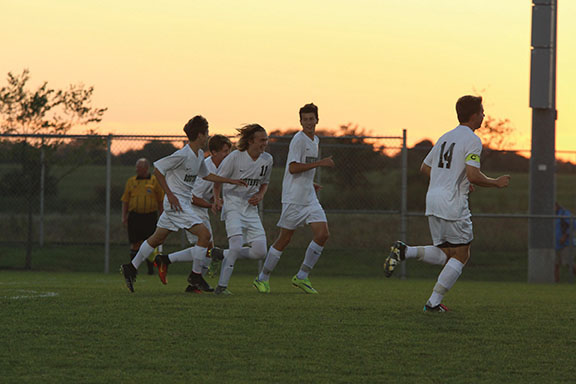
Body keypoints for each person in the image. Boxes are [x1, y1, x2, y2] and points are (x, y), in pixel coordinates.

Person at [384, 95, 510, 312]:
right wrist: (495, 183)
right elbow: (473, 175)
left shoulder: (445, 137)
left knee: (445, 253)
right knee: (462, 255)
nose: (484, 115)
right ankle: (433, 303)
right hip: (453, 203)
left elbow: (425, 167)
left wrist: (448, 179)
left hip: (433, 200)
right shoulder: (472, 139)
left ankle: (405, 252)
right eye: (482, 111)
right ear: (473, 115)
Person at [120, 116, 246, 293]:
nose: (208, 136)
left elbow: (206, 175)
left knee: (157, 239)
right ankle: (195, 276)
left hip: (182, 204)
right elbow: (158, 170)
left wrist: (230, 181)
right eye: (207, 132)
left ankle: (131, 268)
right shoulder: (182, 154)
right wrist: (170, 195)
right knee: (205, 235)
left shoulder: (199, 155)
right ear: (200, 135)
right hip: (177, 204)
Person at [253, 103, 335, 294]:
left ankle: (302, 276)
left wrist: (310, 182)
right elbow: (292, 168)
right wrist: (320, 163)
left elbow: (303, 168)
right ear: (300, 121)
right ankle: (262, 278)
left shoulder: (315, 140)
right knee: (285, 238)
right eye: (305, 119)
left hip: (309, 197)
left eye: (311, 119)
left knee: (323, 234)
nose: (308, 122)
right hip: (293, 198)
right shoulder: (298, 140)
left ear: (317, 120)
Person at [153, 134, 232, 292]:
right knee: (207, 247)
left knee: (207, 249)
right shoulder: (206, 167)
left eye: (229, 152)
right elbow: (193, 197)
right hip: (192, 208)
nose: (227, 155)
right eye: (225, 152)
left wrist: (217, 200)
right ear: (214, 152)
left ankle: (186, 277)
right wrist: (211, 205)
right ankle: (187, 275)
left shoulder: (218, 167)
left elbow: (214, 187)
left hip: (200, 208)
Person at [211, 124, 273, 295]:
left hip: (250, 209)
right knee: (236, 245)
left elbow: (265, 183)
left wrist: (260, 195)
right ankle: (221, 287)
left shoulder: (267, 159)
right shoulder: (235, 157)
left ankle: (221, 254)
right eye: (261, 140)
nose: (265, 143)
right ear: (251, 141)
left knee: (260, 251)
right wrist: (217, 199)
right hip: (233, 205)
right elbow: (218, 180)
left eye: (266, 140)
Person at [121, 158, 164, 275]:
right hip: (135, 217)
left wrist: (162, 215)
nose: (137, 170)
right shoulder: (131, 181)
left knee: (149, 242)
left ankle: (150, 270)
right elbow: (125, 200)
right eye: (136, 167)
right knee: (135, 243)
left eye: (139, 167)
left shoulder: (155, 181)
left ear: (145, 168)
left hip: (150, 217)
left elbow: (161, 200)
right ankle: (133, 269)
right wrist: (124, 216)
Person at [554, 202, 575, 282]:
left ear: (557, 206)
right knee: (555, 265)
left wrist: (565, 236)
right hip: (556, 245)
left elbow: (573, 224)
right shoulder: (552, 215)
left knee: (568, 263)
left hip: (566, 244)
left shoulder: (564, 213)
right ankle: (556, 285)